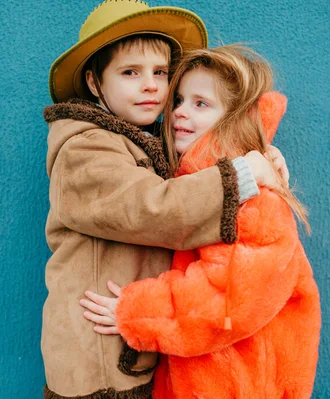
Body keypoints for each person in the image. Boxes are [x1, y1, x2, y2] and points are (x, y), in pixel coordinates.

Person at [41, 2, 290, 398]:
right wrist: (241, 176)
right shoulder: (84, 151)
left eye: (160, 72)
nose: (151, 86)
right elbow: (153, 209)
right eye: (130, 73)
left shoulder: (143, 142)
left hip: (131, 349)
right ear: (93, 82)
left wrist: (258, 154)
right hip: (98, 364)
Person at [81, 45, 322, 399]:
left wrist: (137, 313)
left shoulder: (255, 202)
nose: (179, 112)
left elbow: (227, 301)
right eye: (178, 100)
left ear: (234, 119)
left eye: (200, 104)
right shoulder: (201, 184)